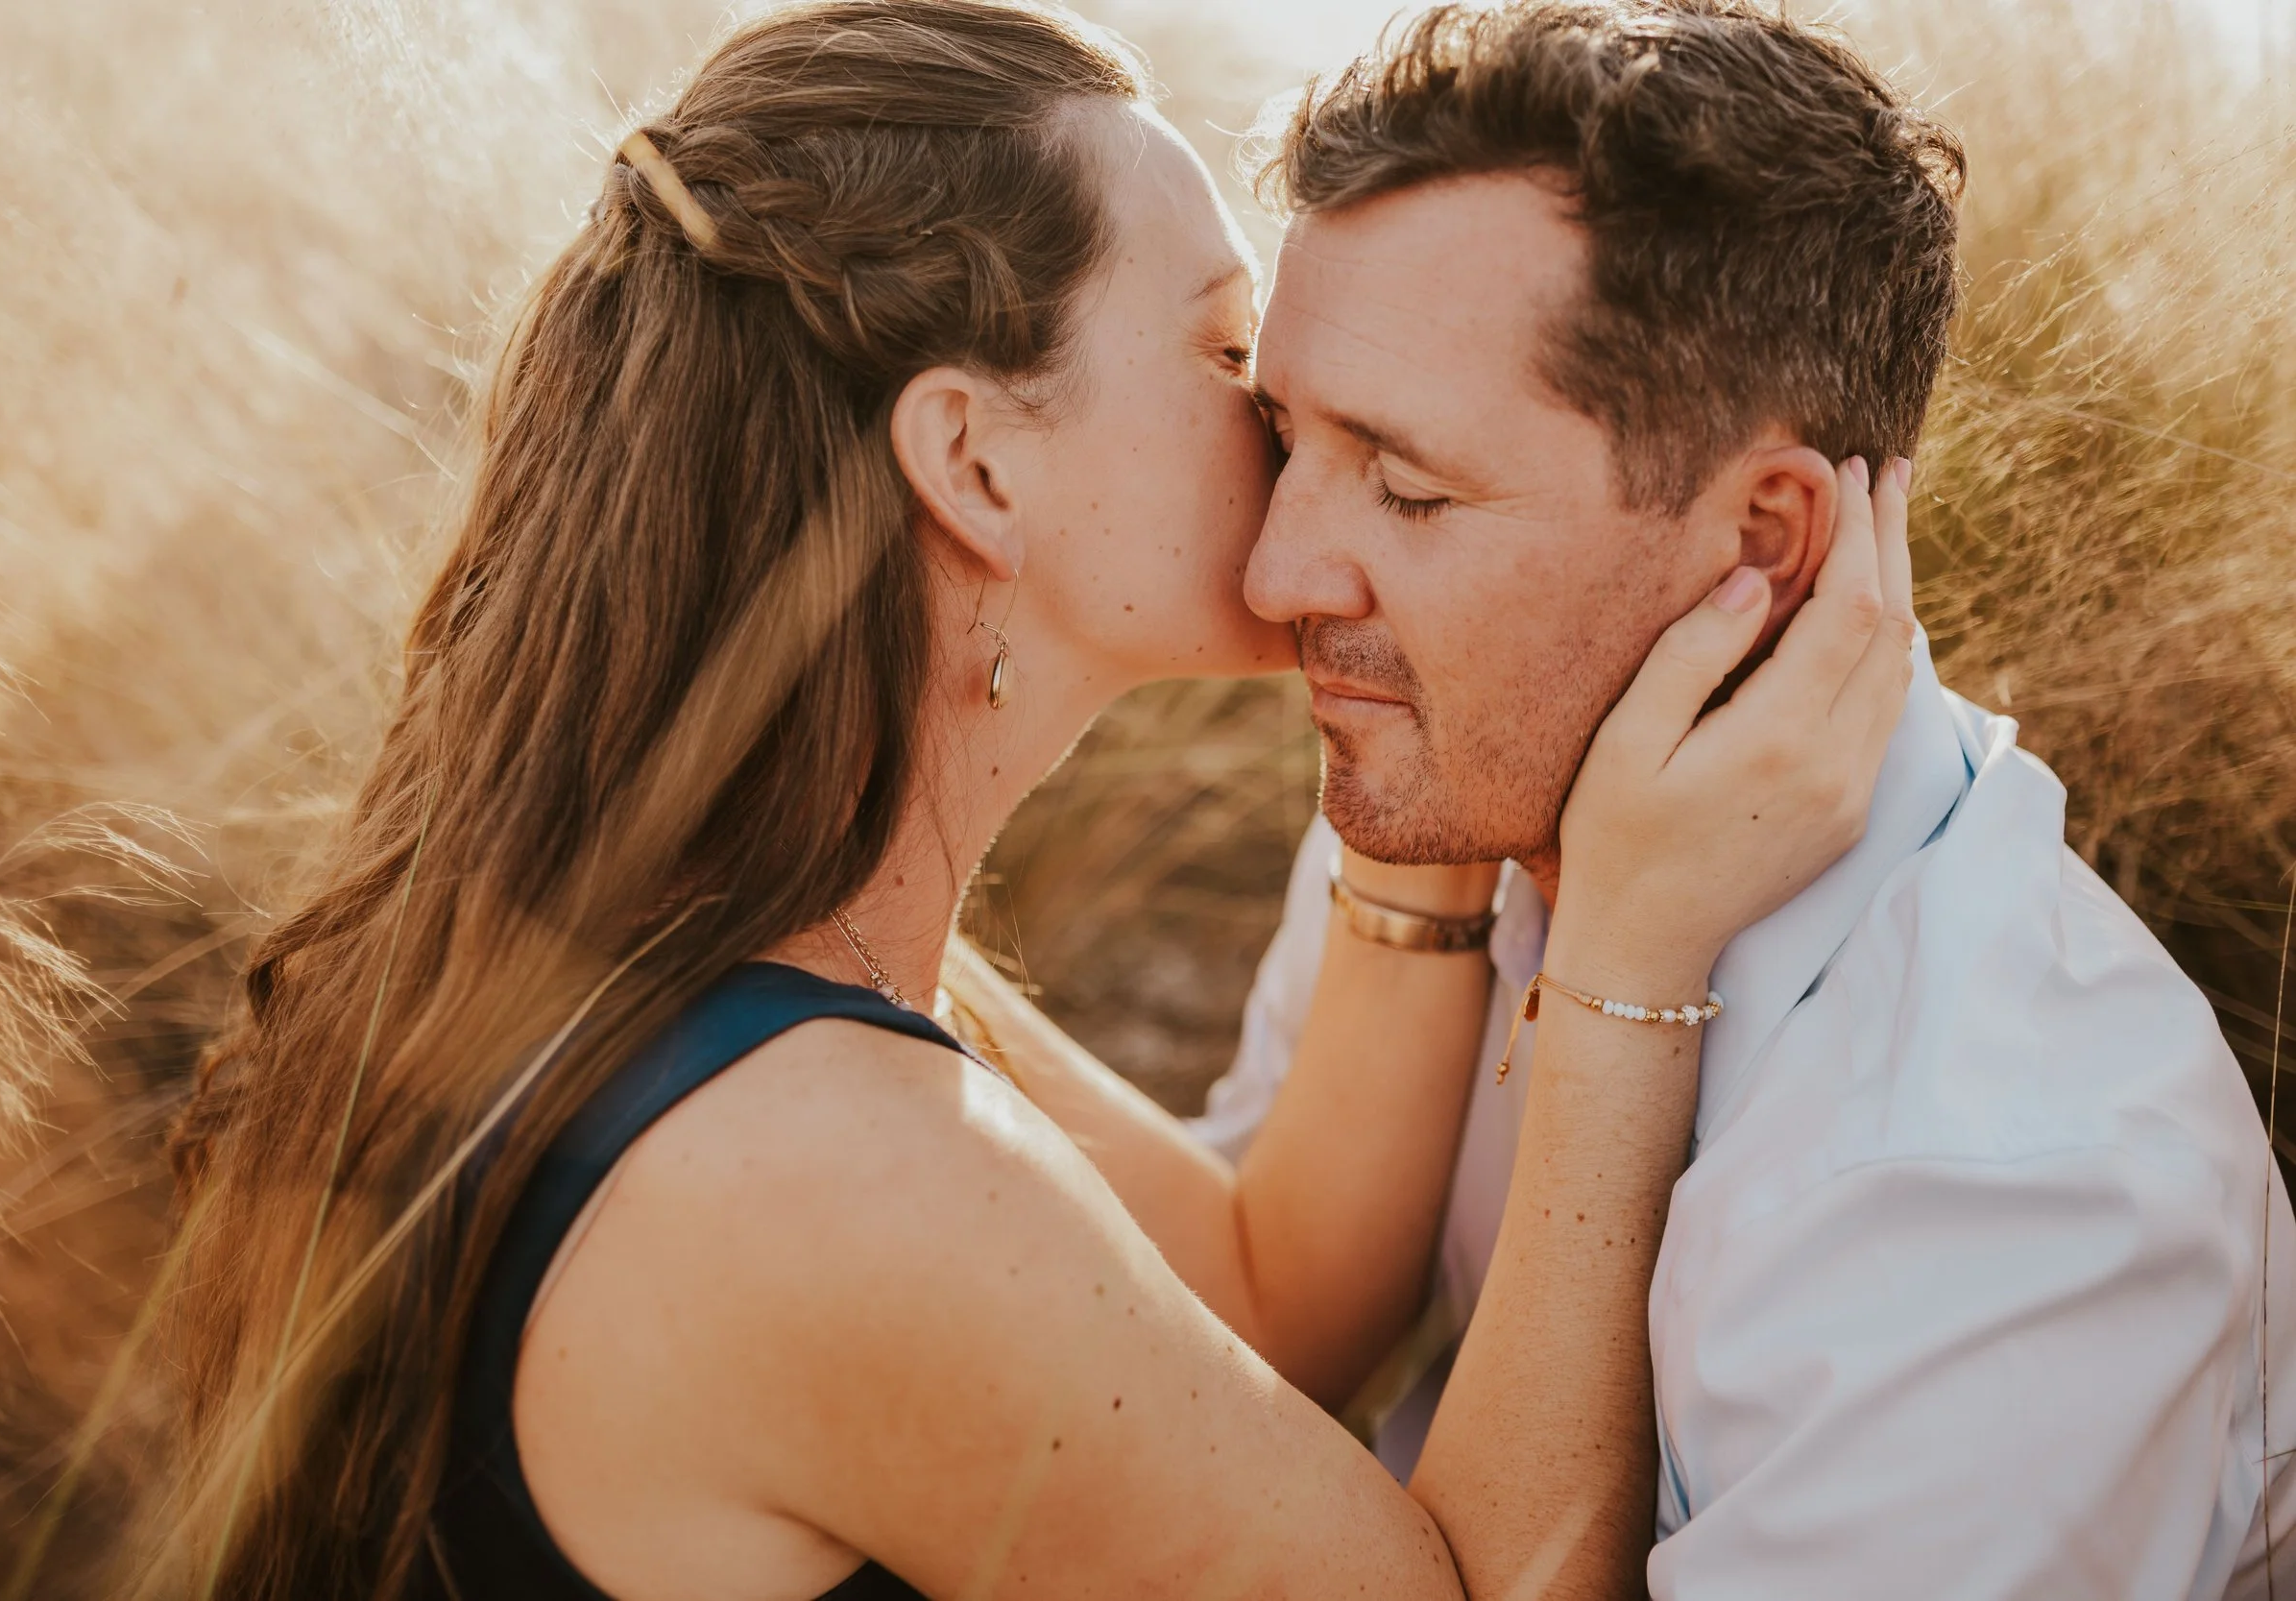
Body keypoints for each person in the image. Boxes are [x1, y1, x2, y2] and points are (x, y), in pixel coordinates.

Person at [151, 3, 1917, 1598]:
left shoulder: (719, 953)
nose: (1298, 431)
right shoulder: (841, 1167)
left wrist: (1433, 748)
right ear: (977, 464)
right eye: (1230, 362)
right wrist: (1626, 946)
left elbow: (1265, 1292)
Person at [1191, 5, 2296, 1598]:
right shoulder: (1461, 799)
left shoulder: (2012, 1198)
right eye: (1285, 437)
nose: (1275, 573)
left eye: (1410, 486)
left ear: (1766, 540)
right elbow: (1228, 1346)